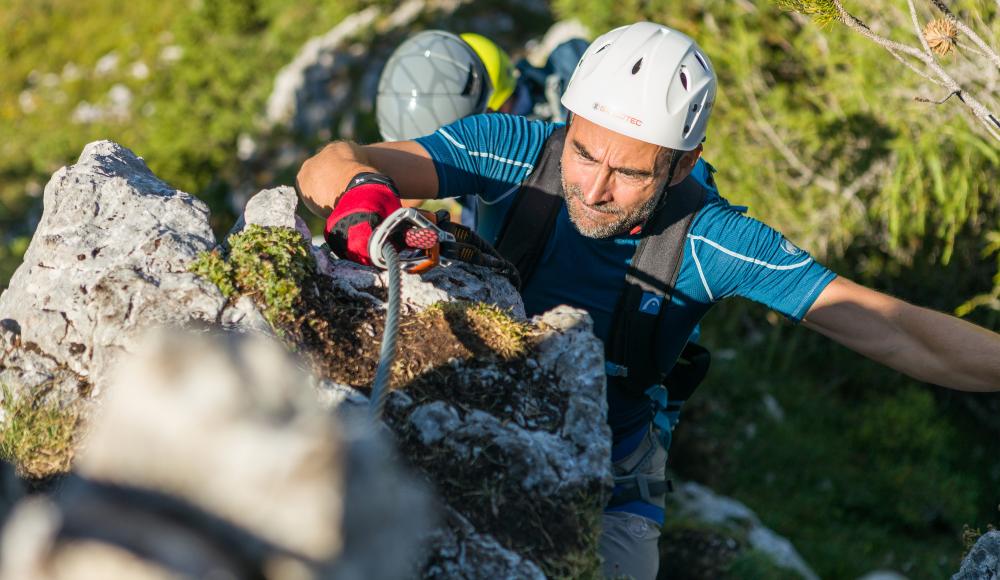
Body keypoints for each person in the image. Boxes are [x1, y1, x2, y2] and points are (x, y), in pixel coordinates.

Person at [297, 22, 1000, 579]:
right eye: (583, 152)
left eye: (629, 173)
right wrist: (364, 201)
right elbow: (329, 163)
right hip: (473, 402)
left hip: (614, 472)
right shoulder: (515, 149)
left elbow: (899, 334)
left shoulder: (710, 239)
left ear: (683, 165)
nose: (594, 189)